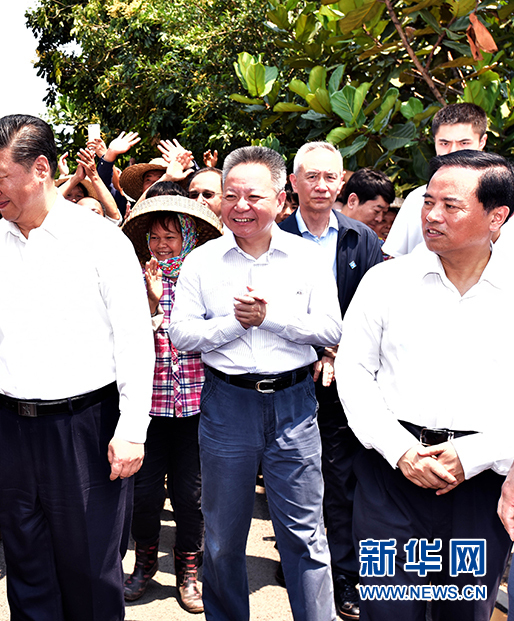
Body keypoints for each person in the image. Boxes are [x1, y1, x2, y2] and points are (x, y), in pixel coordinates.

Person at [0, 114, 154, 621]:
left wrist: (132, 430)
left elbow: (136, 341)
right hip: (10, 428)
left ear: (41, 169)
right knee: (27, 565)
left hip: (84, 428)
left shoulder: (100, 241)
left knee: (90, 570)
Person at [336, 150, 514, 621]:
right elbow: (354, 373)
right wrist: (400, 450)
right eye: (428, 201)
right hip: (391, 477)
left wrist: (475, 454)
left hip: (480, 487)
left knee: (463, 612)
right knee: (388, 608)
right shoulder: (386, 281)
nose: (432, 215)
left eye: (450, 205)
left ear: (496, 216)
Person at [170, 146, 341, 621]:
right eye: (231, 196)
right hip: (227, 404)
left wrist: (272, 319)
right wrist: (235, 324)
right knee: (223, 538)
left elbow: (331, 328)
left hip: (294, 405)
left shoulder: (307, 258)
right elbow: (182, 334)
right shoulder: (201, 262)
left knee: (305, 536)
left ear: (281, 199)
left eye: (253, 196)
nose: (240, 206)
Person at [282, 141, 384, 620]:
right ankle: (299, 563)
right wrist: (319, 350)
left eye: (330, 177)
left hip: (345, 380)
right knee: (294, 479)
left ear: (342, 182)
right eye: (312, 176)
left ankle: (344, 574)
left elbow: (375, 309)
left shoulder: (362, 239)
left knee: (340, 480)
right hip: (289, 376)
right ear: (294, 182)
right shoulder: (274, 234)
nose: (322, 186)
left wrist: (339, 352)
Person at [120, 195, 222, 614]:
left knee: (191, 496)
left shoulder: (205, 281)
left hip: (196, 409)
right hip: (148, 409)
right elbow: (125, 341)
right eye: (155, 238)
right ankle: (144, 563)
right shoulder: (133, 281)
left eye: (171, 237)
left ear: (189, 239)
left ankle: (189, 572)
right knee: (143, 496)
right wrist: (150, 301)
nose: (162, 246)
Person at [382, 103, 487, 257]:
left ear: (482, 142)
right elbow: (394, 261)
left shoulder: (504, 199)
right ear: (435, 142)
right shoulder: (416, 199)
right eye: (444, 143)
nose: (453, 151)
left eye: (464, 143)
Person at [337, 168, 395, 236]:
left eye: (384, 213)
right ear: (353, 201)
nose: (379, 219)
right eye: (377, 211)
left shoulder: (371, 239)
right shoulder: (328, 231)